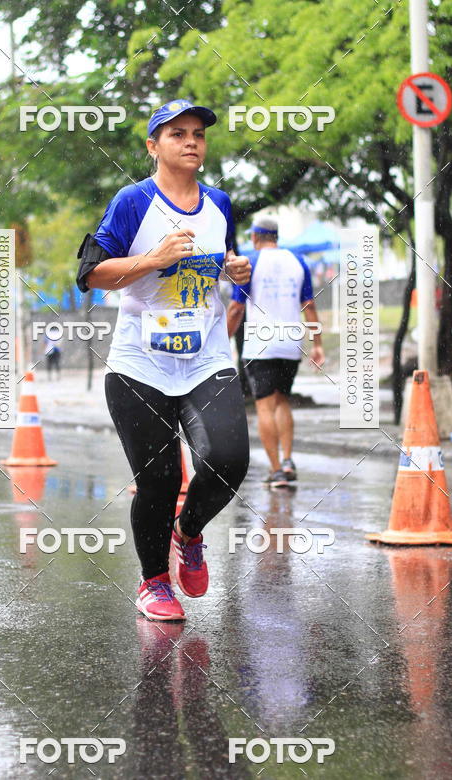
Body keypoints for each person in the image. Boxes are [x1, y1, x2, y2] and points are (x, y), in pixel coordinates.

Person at [76, 99, 251, 622]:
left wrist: (234, 269)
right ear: (154, 146)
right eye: (177, 134)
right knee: (157, 482)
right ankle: (154, 583)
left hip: (206, 358)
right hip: (139, 364)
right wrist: (153, 259)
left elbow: (221, 261)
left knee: (227, 461)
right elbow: (89, 274)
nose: (192, 141)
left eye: (198, 132)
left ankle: (188, 532)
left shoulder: (218, 201)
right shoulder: (133, 201)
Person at [226, 215, 325, 489]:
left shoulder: (250, 262)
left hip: (261, 344)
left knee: (265, 406)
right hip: (291, 342)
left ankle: (276, 469)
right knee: (282, 400)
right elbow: (310, 306)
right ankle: (289, 460)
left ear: (256, 237)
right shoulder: (298, 261)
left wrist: (222, 339)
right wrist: (317, 343)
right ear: (276, 237)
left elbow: (236, 309)